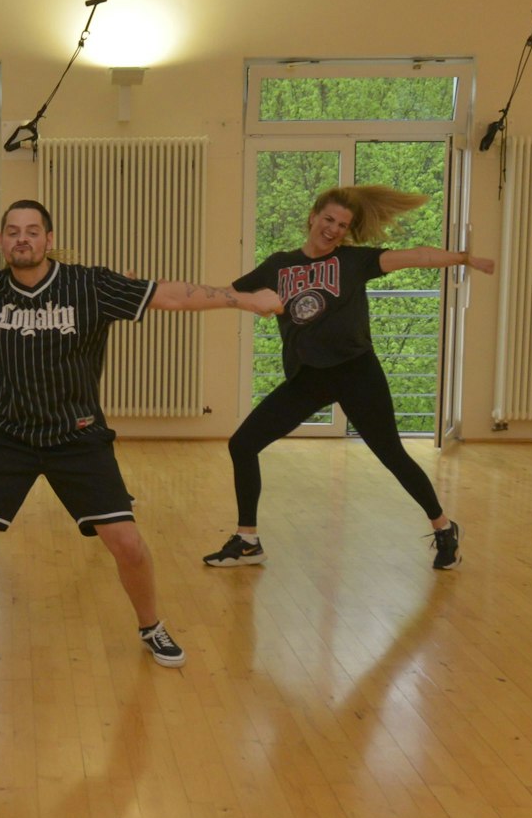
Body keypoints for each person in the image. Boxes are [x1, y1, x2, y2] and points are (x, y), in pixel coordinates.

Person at [0, 199, 282, 667]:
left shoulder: (90, 285)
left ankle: (151, 625)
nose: (21, 238)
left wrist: (245, 300)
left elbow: (170, 295)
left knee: (127, 544)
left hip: (78, 436)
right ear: (2, 240)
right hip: (6, 436)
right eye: (12, 231)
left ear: (48, 239)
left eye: (32, 230)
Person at [203, 185, 494, 572]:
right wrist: (153, 295)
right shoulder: (279, 265)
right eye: (329, 220)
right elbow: (225, 294)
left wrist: (464, 257)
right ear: (312, 217)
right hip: (309, 378)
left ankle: (443, 528)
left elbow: (416, 257)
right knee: (243, 444)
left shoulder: (354, 261)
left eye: (343, 225)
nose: (334, 229)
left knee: (392, 454)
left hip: (357, 372)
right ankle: (248, 541)